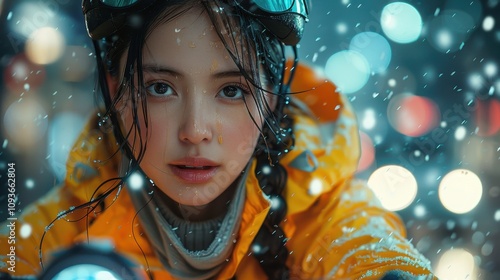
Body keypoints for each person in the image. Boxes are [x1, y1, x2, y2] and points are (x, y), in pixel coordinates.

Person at [0, 0, 436, 279]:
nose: (195, 131)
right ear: (117, 92)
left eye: (232, 90)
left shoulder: (325, 209)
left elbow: (367, 251)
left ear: (273, 97)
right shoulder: (48, 238)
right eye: (160, 88)